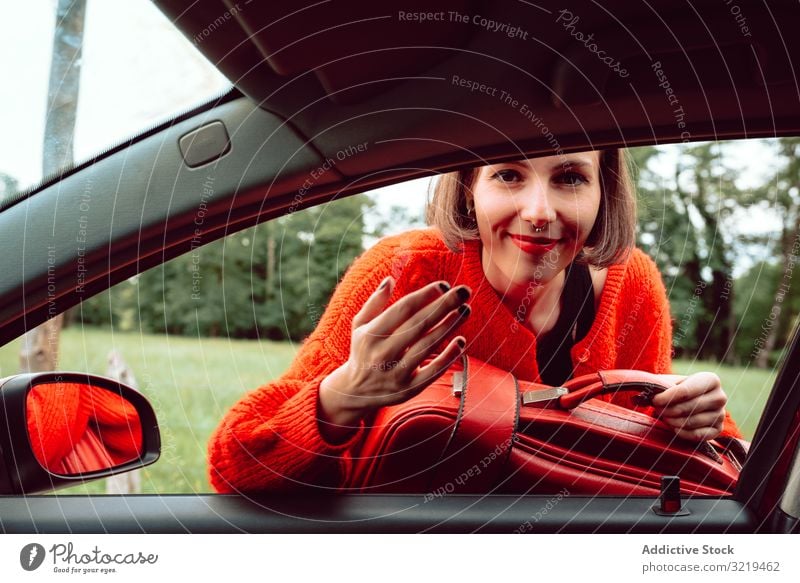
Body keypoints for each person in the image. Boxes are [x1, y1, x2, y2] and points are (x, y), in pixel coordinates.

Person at [207, 149, 741, 494]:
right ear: (469, 188)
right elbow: (236, 469)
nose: (538, 210)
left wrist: (698, 417)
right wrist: (343, 393)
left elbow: (680, 462)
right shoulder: (407, 269)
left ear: (604, 195)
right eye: (508, 174)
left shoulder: (633, 283)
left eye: (571, 178)